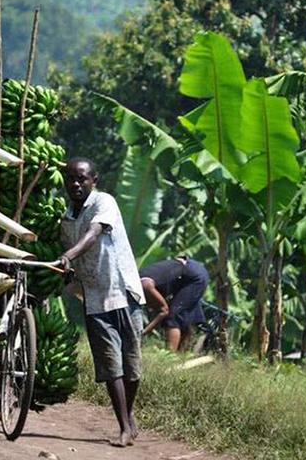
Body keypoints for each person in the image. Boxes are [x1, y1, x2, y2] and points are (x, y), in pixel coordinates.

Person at [59, 157, 145, 448]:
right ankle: (123, 426)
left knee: (132, 365)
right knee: (111, 366)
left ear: (94, 180)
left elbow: (93, 234)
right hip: (95, 300)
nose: (76, 184)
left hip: (124, 291)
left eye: (82, 179)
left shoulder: (104, 203)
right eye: (70, 178)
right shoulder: (66, 218)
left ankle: (128, 414)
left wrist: (69, 256)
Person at [139, 257, 208, 352]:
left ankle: (170, 356)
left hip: (192, 275)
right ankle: (182, 353)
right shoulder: (138, 279)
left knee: (172, 317)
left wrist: (142, 334)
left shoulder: (144, 286)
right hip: (188, 271)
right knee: (183, 316)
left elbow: (164, 311)